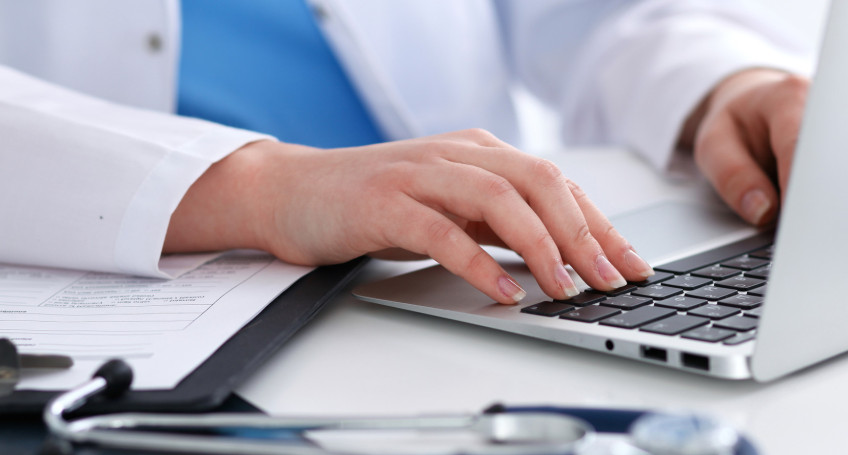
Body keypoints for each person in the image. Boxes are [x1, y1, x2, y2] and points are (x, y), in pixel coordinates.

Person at [0, 1, 813, 304]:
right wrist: (258, 187)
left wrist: (724, 84)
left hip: (454, 283)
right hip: (132, 295)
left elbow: (589, 16)